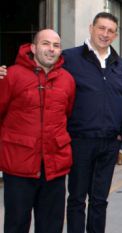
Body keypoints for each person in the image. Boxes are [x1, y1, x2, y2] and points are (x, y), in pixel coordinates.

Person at [0, 29, 76, 233]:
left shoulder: (67, 80)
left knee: (52, 226)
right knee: (16, 225)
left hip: (54, 167)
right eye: (45, 44)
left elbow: (66, 114)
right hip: (19, 166)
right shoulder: (11, 75)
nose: (51, 49)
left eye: (56, 45)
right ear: (33, 48)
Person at [63, 12, 122, 233]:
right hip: (79, 141)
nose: (105, 34)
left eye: (110, 31)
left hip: (109, 144)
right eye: (101, 28)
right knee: (77, 199)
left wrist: (121, 140)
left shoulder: (120, 65)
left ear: (116, 35)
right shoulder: (69, 59)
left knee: (100, 200)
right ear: (91, 28)